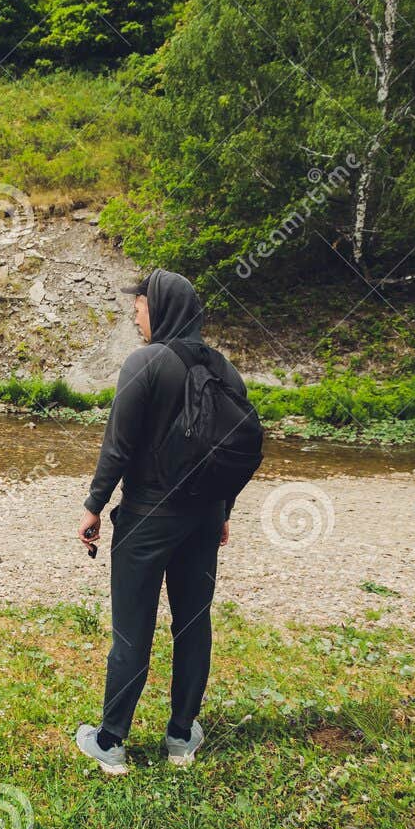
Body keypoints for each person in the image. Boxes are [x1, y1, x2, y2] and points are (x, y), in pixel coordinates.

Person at [74, 269, 251, 776]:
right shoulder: (226, 371)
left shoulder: (145, 364)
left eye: (141, 305)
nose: (135, 313)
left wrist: (93, 507)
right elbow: (232, 453)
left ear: (164, 307)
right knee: (193, 626)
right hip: (201, 523)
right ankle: (179, 737)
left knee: (132, 631)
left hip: (147, 520)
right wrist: (222, 514)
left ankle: (111, 742)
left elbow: (119, 446)